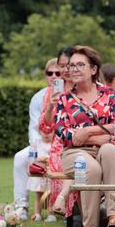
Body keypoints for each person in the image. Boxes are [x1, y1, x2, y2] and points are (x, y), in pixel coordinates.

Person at [55, 45, 115, 227]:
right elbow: (64, 133)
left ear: (93, 69)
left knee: (111, 152)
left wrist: (88, 132)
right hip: (74, 153)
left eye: (80, 65)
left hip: (105, 147)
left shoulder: (110, 95)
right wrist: (96, 136)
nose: (73, 69)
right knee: (90, 168)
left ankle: (113, 215)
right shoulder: (64, 99)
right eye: (72, 65)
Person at [12, 60, 55, 220]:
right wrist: (40, 149)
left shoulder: (69, 94)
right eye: (50, 73)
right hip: (40, 143)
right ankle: (21, 206)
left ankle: (62, 209)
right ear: (45, 75)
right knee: (21, 158)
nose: (54, 76)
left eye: (58, 73)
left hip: (62, 144)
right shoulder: (38, 98)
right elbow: (34, 127)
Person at [40, 47, 75, 216]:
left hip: (82, 142)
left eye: (68, 65)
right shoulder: (52, 91)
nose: (65, 70)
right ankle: (70, 212)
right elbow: (45, 126)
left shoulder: (83, 87)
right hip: (59, 143)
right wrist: (51, 106)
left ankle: (75, 211)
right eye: (62, 66)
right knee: (57, 158)